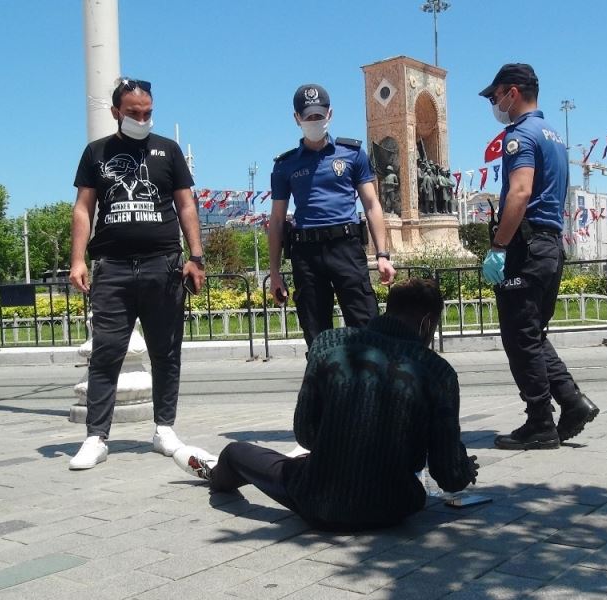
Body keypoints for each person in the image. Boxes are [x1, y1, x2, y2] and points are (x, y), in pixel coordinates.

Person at [173, 278, 479, 531]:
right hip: (393, 507)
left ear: (389, 310)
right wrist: (463, 467)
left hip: (318, 499)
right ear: (428, 322)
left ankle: (216, 475)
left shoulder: (329, 344)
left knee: (238, 452)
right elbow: (449, 476)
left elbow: (305, 433)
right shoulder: (438, 372)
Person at [68, 77, 206, 470]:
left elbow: (187, 206)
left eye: (147, 113)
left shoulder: (169, 150)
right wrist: (78, 260)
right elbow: (83, 208)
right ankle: (96, 437)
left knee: (166, 351)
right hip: (111, 268)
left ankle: (164, 429)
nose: (141, 119)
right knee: (106, 352)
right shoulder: (96, 153)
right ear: (116, 112)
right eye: (133, 113)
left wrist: (196, 257)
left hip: (163, 265)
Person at [478, 64, 598, 450]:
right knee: (531, 332)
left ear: (513, 93)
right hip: (549, 245)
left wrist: (498, 246)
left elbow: (519, 193)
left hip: (525, 248)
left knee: (519, 337)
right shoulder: (553, 137)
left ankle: (540, 422)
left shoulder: (520, 136)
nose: (494, 103)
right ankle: (572, 402)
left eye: (496, 96)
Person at [268, 83, 396, 348]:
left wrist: (382, 256)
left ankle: (369, 388)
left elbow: (372, 205)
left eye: (319, 115)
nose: (314, 121)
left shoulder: (352, 155)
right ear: (297, 118)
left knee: (367, 331)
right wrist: (275, 272)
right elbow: (278, 220)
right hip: (307, 254)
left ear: (330, 114)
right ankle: (324, 388)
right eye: (308, 116)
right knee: (317, 339)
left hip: (346, 248)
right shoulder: (285, 165)